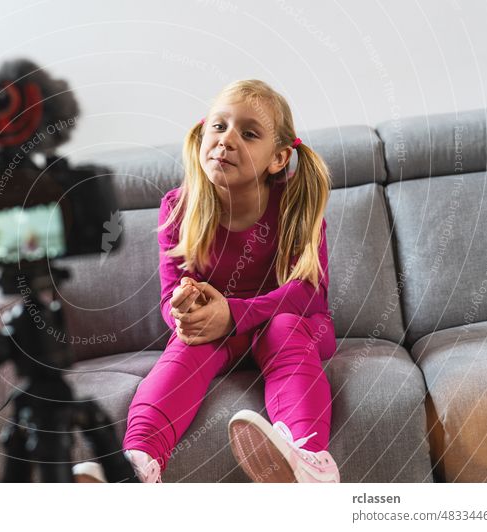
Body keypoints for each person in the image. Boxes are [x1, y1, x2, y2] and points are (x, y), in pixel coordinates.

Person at [73, 79, 338, 483]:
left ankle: (310, 463)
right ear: (201, 134)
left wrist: (233, 313)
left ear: (279, 157)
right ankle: (137, 465)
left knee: (283, 329)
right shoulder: (178, 208)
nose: (226, 139)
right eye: (218, 126)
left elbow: (310, 295)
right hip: (219, 332)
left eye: (248, 133)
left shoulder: (295, 205)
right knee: (188, 343)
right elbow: (170, 296)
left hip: (294, 325)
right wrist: (183, 308)